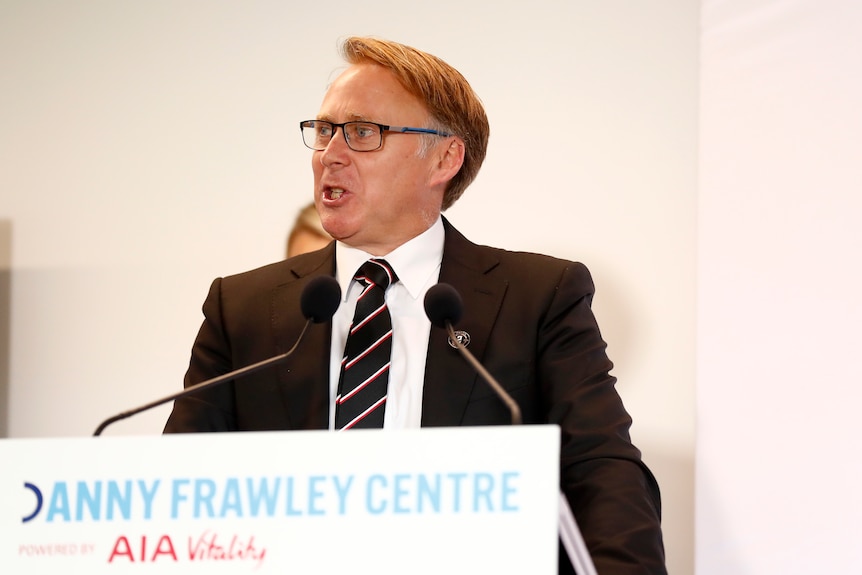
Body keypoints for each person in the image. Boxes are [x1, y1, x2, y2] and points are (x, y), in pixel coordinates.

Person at [164, 36, 666, 574]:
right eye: (324, 131)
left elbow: (602, 473)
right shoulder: (242, 309)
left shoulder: (538, 297)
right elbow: (175, 488)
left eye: (362, 132)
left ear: (444, 158)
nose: (330, 154)